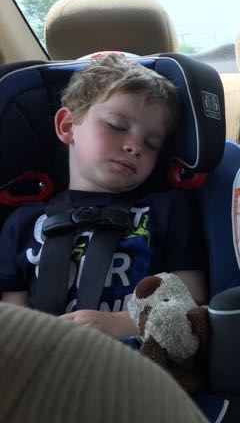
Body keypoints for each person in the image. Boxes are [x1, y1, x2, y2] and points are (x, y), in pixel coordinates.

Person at [0, 54, 208, 339]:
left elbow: (192, 300)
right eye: (117, 126)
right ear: (67, 127)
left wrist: (120, 324)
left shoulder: (168, 209)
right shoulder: (21, 223)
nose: (135, 146)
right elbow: (13, 320)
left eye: (151, 143)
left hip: (137, 363)